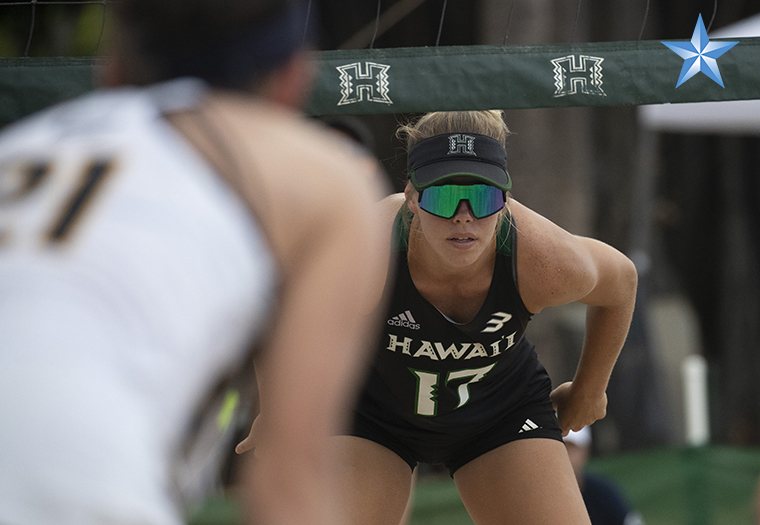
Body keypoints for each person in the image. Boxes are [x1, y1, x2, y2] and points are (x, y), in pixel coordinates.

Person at [0, 1, 388, 524]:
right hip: (66, 485)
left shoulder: (20, 147)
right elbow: (287, 487)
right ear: (293, 79)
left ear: (110, 69)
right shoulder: (322, 176)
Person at [246, 109, 639, 523]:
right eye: (445, 197)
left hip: (499, 411)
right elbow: (275, 308)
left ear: (506, 200)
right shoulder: (368, 250)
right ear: (412, 197)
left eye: (485, 197)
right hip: (373, 413)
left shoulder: (543, 259)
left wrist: (590, 391)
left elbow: (622, 283)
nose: (464, 216)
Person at [565, 427, 644, 525]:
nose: (565, 454)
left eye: (571, 447)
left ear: (585, 451)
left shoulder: (604, 494)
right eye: (561, 447)